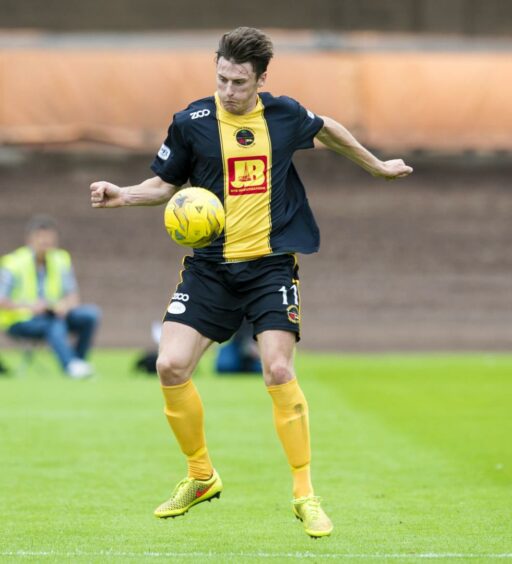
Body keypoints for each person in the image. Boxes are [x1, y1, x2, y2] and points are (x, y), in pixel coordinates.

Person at [90, 27, 412, 537]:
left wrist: (374, 166)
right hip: (210, 268)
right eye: (221, 79)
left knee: (278, 371)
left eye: (239, 82)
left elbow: (326, 127)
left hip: (269, 266)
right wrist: (122, 195)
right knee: (170, 365)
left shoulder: (283, 115)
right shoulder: (191, 122)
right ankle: (200, 476)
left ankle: (305, 494)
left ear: (262, 78)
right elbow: (164, 184)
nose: (228, 91)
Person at [0, 216, 101, 379]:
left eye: (49, 241)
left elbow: (73, 295)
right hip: (20, 320)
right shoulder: (13, 263)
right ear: (30, 240)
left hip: (54, 314)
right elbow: (1, 300)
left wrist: (64, 306)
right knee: (53, 324)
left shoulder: (61, 259)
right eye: (41, 240)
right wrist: (30, 306)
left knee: (90, 315)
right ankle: (70, 366)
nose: (45, 245)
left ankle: (78, 362)